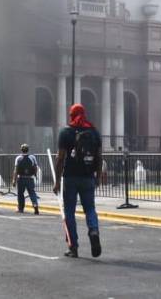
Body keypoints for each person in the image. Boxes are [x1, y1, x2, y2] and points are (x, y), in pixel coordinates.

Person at [53, 104, 102, 258]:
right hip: (88, 177)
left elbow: (60, 158)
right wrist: (98, 177)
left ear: (71, 115)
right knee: (90, 209)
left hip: (70, 178)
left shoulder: (66, 132)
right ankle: (93, 230)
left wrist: (57, 181)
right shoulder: (94, 132)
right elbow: (99, 157)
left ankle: (73, 246)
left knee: (69, 211)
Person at [10, 144, 39, 215]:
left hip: (21, 178)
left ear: (21, 150)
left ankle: (21, 208)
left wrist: (14, 180)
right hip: (30, 178)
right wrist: (35, 174)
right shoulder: (32, 157)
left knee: (20, 194)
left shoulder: (18, 158)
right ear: (28, 150)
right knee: (32, 193)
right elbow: (35, 167)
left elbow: (16, 170)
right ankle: (35, 205)